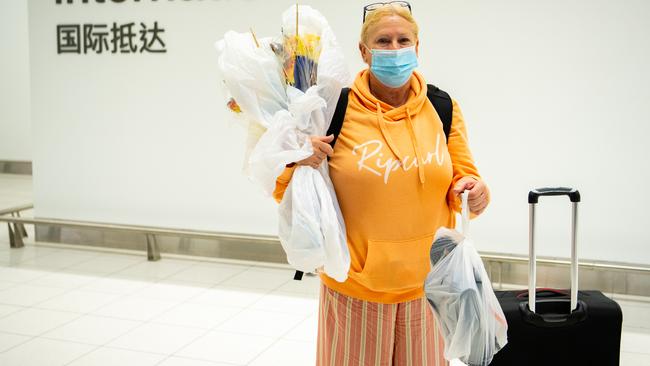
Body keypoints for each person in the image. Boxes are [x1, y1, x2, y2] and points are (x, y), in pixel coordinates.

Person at [273, 2, 490, 365]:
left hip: (428, 291)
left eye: (403, 40)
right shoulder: (330, 109)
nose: (394, 49)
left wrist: (474, 190)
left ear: (417, 47)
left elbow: (464, 179)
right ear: (364, 51)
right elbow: (286, 191)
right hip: (355, 290)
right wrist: (298, 160)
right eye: (383, 41)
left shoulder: (441, 107)